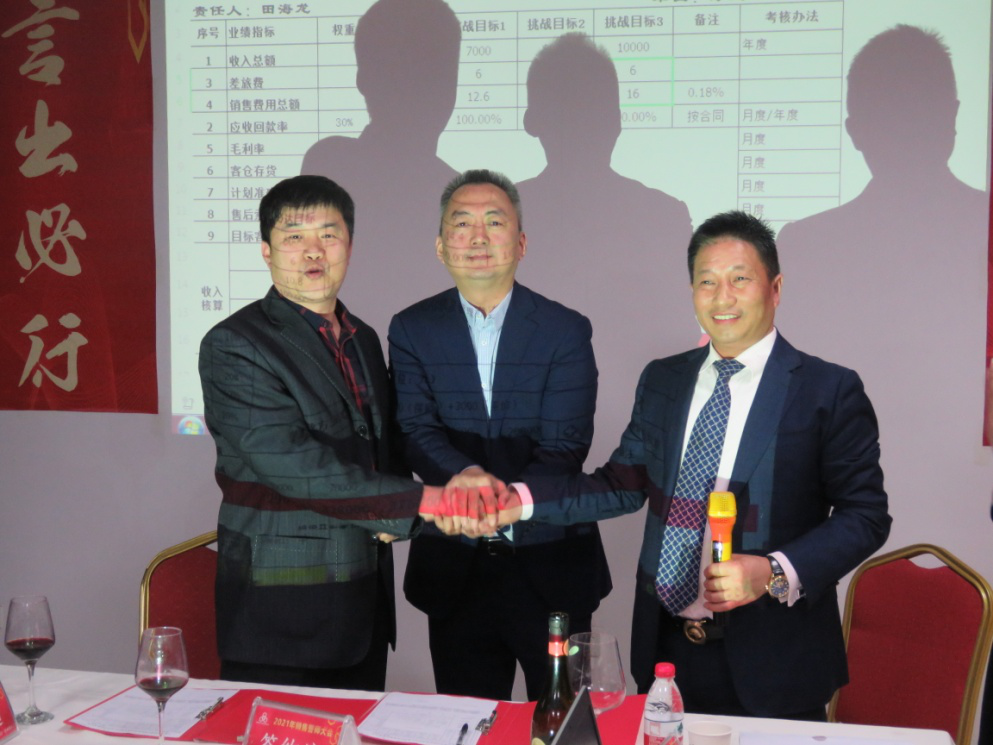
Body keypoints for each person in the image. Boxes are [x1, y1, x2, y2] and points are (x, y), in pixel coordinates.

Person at [493, 211, 891, 718]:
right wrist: (519, 501)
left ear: (775, 288)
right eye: (707, 282)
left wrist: (772, 571)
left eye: (739, 279)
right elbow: (621, 484)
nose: (722, 298)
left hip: (775, 654)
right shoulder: (664, 379)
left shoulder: (827, 390)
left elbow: (865, 515)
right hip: (667, 647)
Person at [199, 175, 454, 691]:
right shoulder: (235, 344)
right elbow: (292, 465)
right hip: (282, 609)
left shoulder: (362, 338)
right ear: (267, 250)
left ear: (349, 246)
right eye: (295, 236)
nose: (313, 251)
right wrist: (420, 503)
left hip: (362, 603)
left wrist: (450, 484)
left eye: (329, 235)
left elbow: (380, 448)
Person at [388, 169, 611, 700]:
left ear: (521, 243)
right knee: (468, 725)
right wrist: (465, 475)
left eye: (494, 221)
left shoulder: (564, 329)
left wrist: (506, 504)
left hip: (550, 562)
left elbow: (565, 445)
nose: (478, 237)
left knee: (562, 726)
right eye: (461, 223)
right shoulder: (412, 328)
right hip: (455, 565)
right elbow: (415, 427)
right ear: (441, 246)